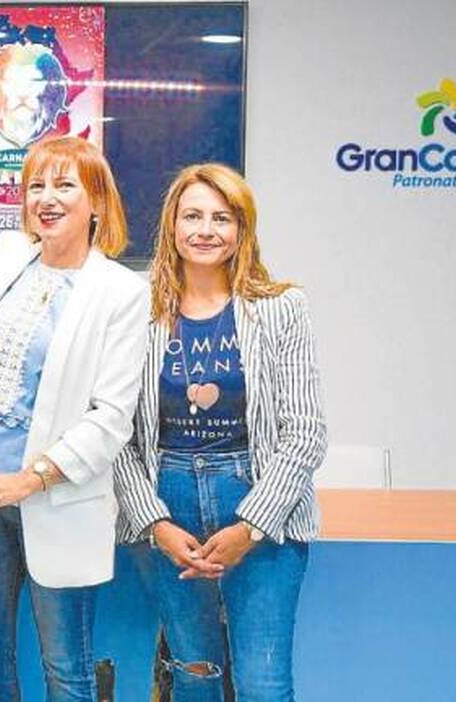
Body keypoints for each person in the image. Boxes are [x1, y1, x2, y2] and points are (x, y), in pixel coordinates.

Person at [114, 163, 326, 701]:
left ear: (241, 229)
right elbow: (117, 434)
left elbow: (305, 432)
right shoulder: (136, 311)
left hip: (259, 500)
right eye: (192, 216)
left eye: (221, 218)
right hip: (169, 502)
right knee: (195, 674)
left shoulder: (281, 309)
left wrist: (250, 527)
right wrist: (155, 523)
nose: (205, 230)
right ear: (172, 225)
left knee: (263, 684)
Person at [0, 136, 148, 701]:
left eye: (64, 185)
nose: (46, 198)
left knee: (66, 669)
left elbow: (111, 419)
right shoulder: (0, 256)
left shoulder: (121, 292)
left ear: (97, 202)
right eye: (36, 186)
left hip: (56, 498)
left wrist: (28, 480)